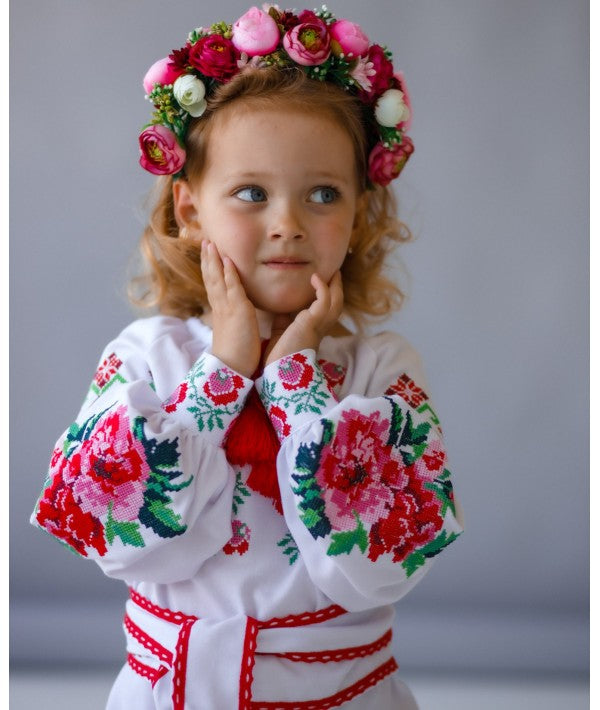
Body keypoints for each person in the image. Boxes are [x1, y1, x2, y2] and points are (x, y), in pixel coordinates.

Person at [31, 5, 463, 708]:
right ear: (191, 208)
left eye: (323, 193)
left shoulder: (381, 372)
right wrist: (223, 374)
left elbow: (376, 568)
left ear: (358, 215)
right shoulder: (146, 357)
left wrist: (295, 382)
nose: (288, 224)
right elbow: (125, 543)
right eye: (251, 193)